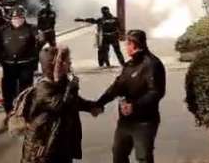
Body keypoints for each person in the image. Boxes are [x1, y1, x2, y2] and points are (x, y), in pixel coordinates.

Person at [20, 45, 100, 163]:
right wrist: (72, 88)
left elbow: (73, 101)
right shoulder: (43, 88)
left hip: (60, 142)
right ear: (57, 65)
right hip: (43, 147)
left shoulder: (61, 83)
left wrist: (91, 106)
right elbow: (60, 105)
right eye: (67, 61)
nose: (70, 63)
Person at [95, 30, 166, 163]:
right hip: (125, 121)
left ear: (135, 44)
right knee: (118, 153)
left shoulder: (152, 64)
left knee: (143, 156)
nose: (126, 47)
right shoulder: (129, 65)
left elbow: (156, 92)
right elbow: (116, 88)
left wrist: (135, 106)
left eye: (128, 44)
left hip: (144, 121)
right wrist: (99, 103)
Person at [0, 7, 39, 133]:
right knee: (8, 93)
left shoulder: (32, 29)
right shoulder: (4, 30)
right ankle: (9, 116)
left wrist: (35, 61)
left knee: (25, 92)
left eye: (19, 17)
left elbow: (40, 44)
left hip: (25, 66)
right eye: (14, 18)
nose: (17, 20)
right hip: (9, 66)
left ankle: (26, 117)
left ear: (24, 17)